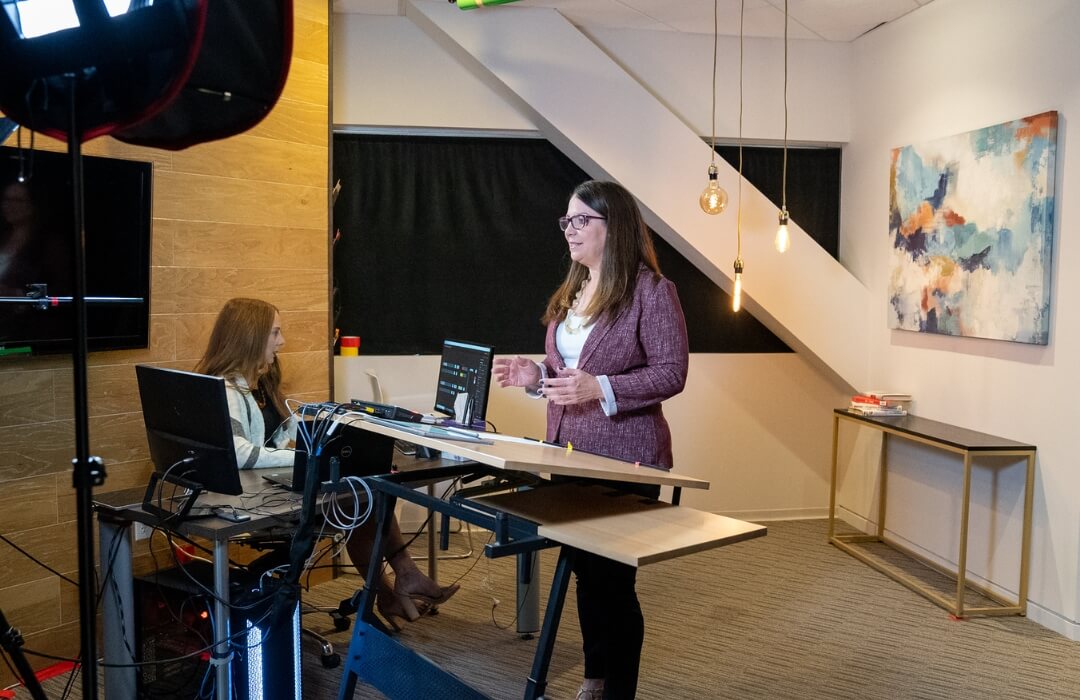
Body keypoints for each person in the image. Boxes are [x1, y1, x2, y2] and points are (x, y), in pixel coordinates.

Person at [492, 180, 688, 700]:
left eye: (581, 221)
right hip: (567, 451)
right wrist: (535, 378)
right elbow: (568, 374)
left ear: (613, 226)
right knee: (582, 571)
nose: (570, 231)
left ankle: (616, 689)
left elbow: (671, 373)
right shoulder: (571, 292)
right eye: (567, 221)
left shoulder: (651, 291)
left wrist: (599, 385)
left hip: (627, 459)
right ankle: (595, 676)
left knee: (613, 585)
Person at [195, 297, 458, 631]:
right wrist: (309, 456)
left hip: (268, 491)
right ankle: (398, 582)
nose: (282, 341)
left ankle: (399, 582)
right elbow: (243, 454)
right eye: (275, 333)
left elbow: (277, 435)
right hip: (249, 504)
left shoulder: (257, 385)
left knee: (365, 490)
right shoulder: (228, 391)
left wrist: (333, 420)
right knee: (362, 497)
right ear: (251, 336)